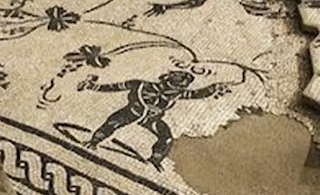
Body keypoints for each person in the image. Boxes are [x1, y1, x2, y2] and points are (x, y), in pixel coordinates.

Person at [79, 70, 230, 167]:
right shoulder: (139, 85)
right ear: (168, 81)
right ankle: (93, 142)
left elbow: (197, 94)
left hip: (151, 120)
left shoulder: (175, 94)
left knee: (166, 138)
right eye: (176, 86)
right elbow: (114, 87)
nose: (177, 91)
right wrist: (93, 86)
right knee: (113, 122)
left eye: (180, 88)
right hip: (132, 112)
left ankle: (154, 161)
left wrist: (214, 87)